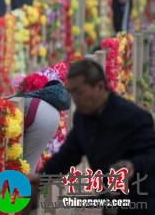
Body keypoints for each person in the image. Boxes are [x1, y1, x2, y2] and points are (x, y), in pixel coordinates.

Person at [29, 59, 155, 214]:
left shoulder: (134, 117)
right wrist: (41, 177)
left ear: (99, 86)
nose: (74, 98)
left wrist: (132, 165)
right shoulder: (83, 117)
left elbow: (151, 155)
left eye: (79, 92)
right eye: (71, 92)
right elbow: (68, 155)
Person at [14, 79, 70, 173]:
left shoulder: (25, 97)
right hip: (52, 116)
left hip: (37, 114)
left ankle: (20, 186)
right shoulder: (46, 97)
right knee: (27, 166)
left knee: (23, 168)